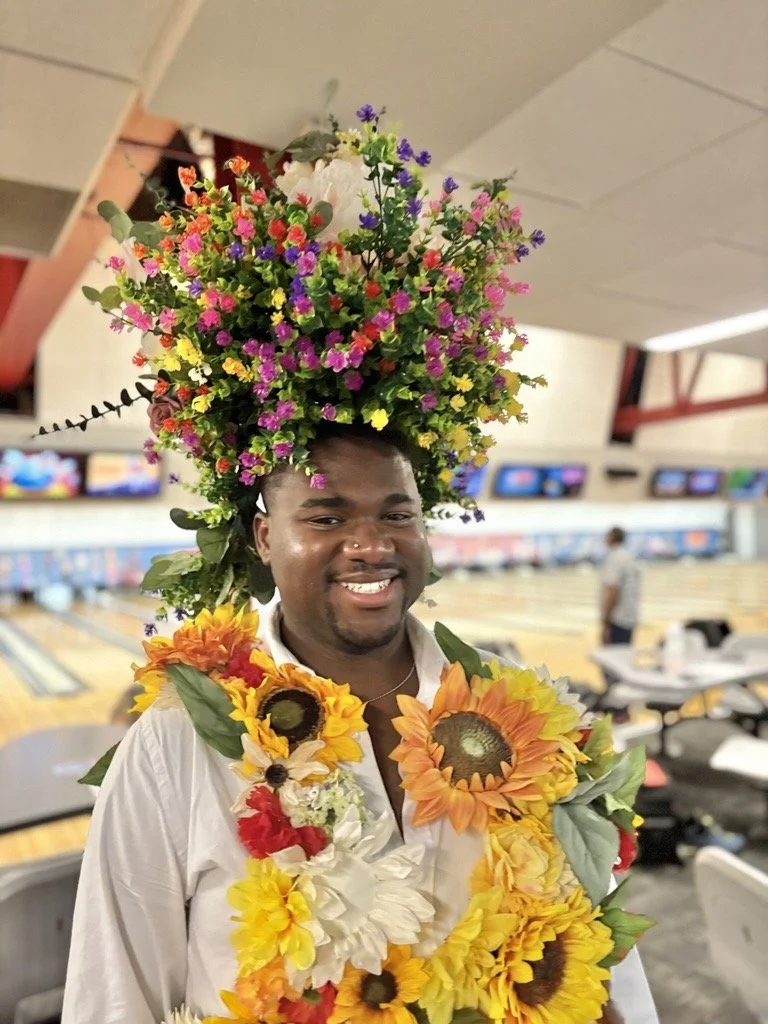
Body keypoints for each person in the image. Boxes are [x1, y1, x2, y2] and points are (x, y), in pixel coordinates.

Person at [60, 110, 656, 1024]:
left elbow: (604, 970)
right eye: (327, 516)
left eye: (396, 514)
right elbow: (113, 996)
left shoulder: (527, 725)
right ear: (264, 538)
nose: (371, 544)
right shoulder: (177, 749)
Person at [600, 528, 641, 647]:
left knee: (611, 656)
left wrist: (606, 623)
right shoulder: (629, 557)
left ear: (612, 538)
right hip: (629, 618)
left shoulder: (614, 558)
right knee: (624, 654)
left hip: (616, 620)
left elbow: (612, 591)